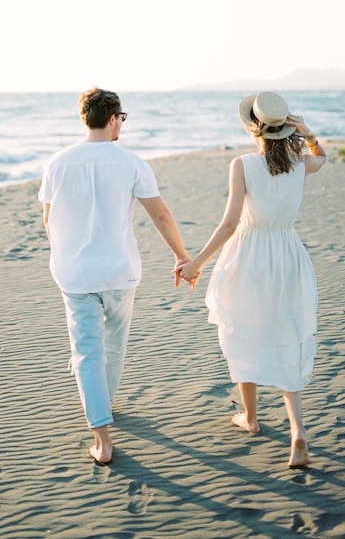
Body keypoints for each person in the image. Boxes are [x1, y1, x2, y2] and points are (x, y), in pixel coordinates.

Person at [38, 86, 191, 466]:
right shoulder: (132, 162)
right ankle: (104, 403)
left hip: (76, 275)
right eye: (121, 118)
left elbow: (49, 221)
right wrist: (182, 256)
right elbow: (161, 215)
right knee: (115, 345)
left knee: (86, 351)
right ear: (112, 119)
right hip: (120, 272)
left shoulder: (57, 163)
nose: (121, 124)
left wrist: (65, 256)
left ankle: (102, 437)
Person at [175, 91, 326, 468]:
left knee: (243, 331)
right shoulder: (298, 163)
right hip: (288, 256)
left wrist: (197, 262)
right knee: (287, 336)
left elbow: (229, 224)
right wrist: (308, 133)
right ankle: (298, 433)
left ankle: (252, 418)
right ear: (285, 129)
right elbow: (321, 158)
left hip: (250, 257)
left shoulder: (242, 164)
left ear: (253, 128)